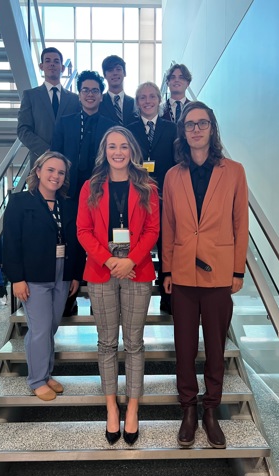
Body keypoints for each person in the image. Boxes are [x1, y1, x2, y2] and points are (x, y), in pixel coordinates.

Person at [162, 101, 249, 449]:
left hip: (219, 273)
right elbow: (168, 226)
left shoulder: (235, 171)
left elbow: (241, 223)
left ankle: (211, 410)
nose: (196, 129)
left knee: (215, 347)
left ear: (212, 129)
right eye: (189, 125)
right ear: (182, 132)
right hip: (182, 273)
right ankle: (188, 409)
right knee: (184, 347)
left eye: (202, 123)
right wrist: (166, 269)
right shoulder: (172, 175)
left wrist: (238, 269)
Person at [77, 126, 159, 446]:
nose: (118, 151)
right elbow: (83, 230)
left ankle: (133, 407)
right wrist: (110, 260)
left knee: (134, 343)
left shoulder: (148, 186)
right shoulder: (91, 186)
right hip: (102, 266)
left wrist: (131, 260)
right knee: (107, 343)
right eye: (112, 146)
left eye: (123, 146)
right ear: (104, 150)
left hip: (137, 267)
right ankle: (112, 407)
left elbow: (152, 230)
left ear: (132, 150)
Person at [3, 151, 86, 401]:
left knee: (50, 327)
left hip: (62, 272)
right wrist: (17, 278)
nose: (55, 176)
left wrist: (74, 276)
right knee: (39, 329)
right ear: (38, 171)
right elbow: (11, 243)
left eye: (61, 172)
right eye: (50, 170)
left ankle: (46, 373)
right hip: (34, 275)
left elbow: (75, 242)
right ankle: (36, 379)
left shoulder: (67, 204)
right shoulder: (19, 202)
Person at [128, 82, 177, 313]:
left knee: (167, 243)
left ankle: (167, 296)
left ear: (159, 99)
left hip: (165, 195)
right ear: (137, 103)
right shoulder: (128, 129)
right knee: (138, 242)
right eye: (142, 98)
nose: (147, 101)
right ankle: (135, 295)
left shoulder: (172, 128)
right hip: (137, 195)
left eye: (151, 97)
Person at [51, 70, 115, 200]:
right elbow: (55, 155)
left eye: (95, 91)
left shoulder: (111, 127)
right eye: (85, 90)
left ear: (101, 96)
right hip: (68, 190)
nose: (90, 94)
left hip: (102, 190)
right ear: (79, 95)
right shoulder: (65, 123)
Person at [17, 47, 80, 168]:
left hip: (68, 162)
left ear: (62, 67)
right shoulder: (30, 96)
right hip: (40, 161)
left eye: (56, 61)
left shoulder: (74, 99)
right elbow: (23, 130)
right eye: (48, 61)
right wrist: (46, 150)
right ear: (41, 66)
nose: (52, 64)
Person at [98, 55, 137, 126]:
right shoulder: (99, 102)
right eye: (110, 70)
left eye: (118, 69)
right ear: (104, 75)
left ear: (124, 73)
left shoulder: (134, 103)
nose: (115, 73)